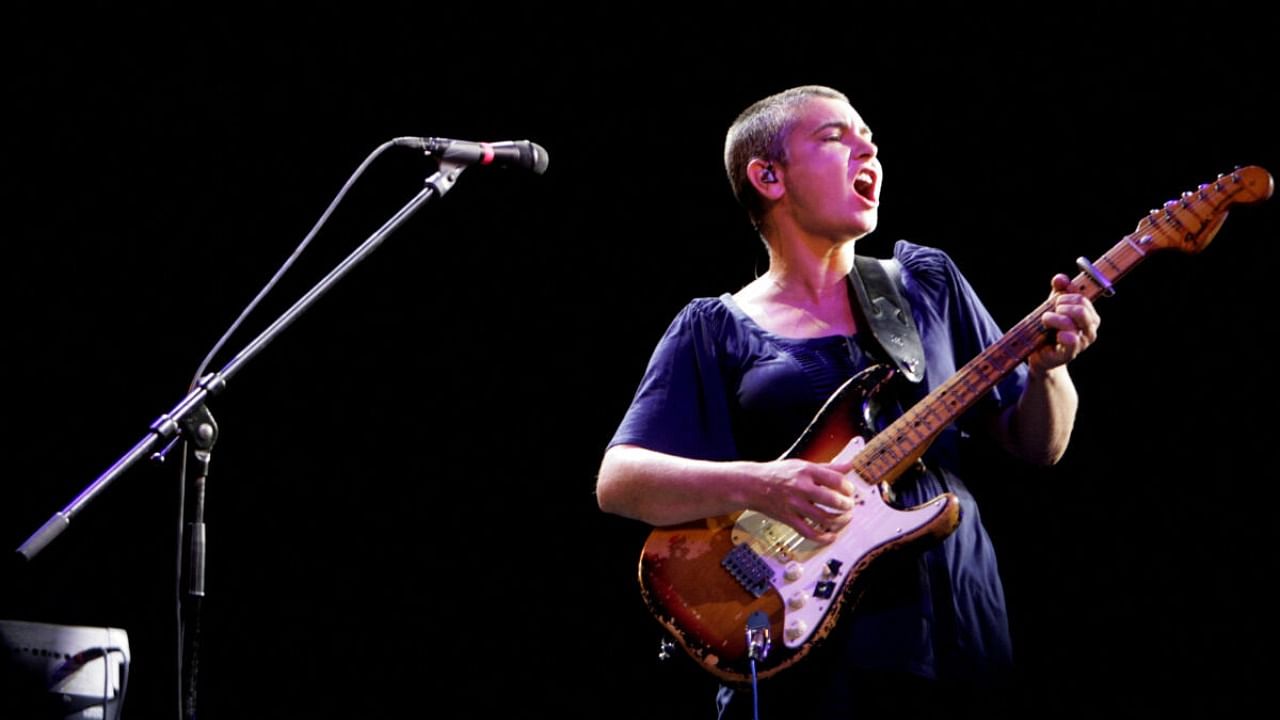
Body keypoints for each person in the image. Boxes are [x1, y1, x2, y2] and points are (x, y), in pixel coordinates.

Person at [595, 85, 1100, 717]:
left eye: (871, 140)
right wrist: (765, 484)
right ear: (768, 176)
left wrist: (1050, 371)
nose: (869, 148)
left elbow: (1039, 445)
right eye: (837, 136)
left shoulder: (925, 283)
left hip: (957, 616)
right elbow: (620, 482)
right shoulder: (712, 327)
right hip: (807, 643)